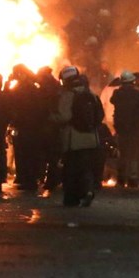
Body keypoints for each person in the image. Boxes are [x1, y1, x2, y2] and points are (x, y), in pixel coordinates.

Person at [53, 68, 104, 207]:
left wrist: (52, 118)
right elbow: (100, 115)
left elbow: (65, 116)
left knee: (71, 170)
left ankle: (72, 198)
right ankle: (88, 190)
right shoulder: (91, 94)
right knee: (85, 168)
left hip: (73, 140)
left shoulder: (68, 95)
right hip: (91, 139)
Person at [110, 71, 139, 188]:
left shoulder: (117, 93)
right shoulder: (137, 94)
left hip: (121, 128)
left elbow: (112, 101)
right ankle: (133, 178)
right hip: (134, 128)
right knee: (134, 154)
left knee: (122, 153)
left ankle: (121, 178)